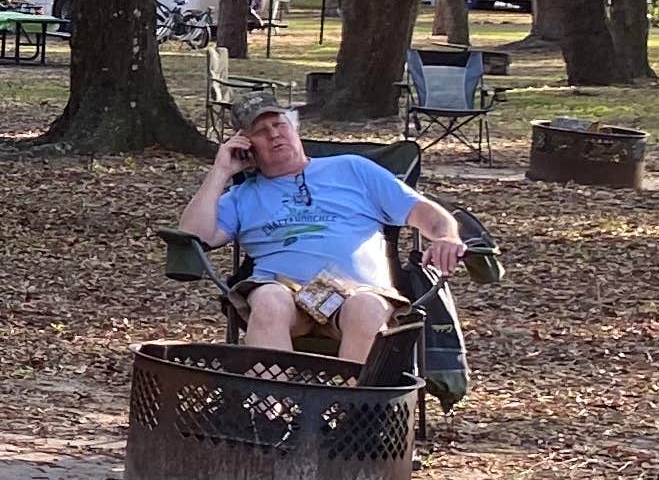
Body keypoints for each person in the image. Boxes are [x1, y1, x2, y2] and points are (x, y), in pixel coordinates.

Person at [177, 96, 462, 369]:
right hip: (283, 292)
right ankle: (274, 403)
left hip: (359, 292)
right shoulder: (243, 195)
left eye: (279, 124)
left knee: (366, 308)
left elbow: (426, 213)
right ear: (246, 146)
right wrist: (220, 172)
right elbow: (193, 236)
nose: (274, 134)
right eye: (261, 131)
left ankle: (354, 403)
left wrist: (446, 237)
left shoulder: (354, 169)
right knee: (267, 301)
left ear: (294, 128)